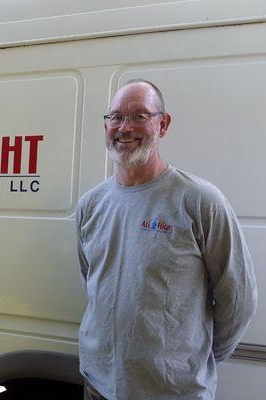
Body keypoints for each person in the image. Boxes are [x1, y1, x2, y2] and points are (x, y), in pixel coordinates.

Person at [75, 79, 258, 400]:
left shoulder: (199, 201)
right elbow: (92, 282)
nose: (124, 127)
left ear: (163, 124)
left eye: (139, 116)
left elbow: (239, 299)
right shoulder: (91, 205)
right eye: (115, 117)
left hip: (172, 393)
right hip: (98, 386)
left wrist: (191, 361)